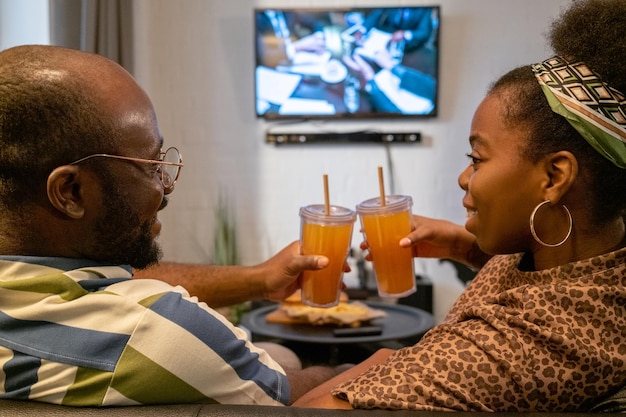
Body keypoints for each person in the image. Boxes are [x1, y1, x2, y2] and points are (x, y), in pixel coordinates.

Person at [295, 0, 626, 411]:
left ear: (555, 177)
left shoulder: (525, 344)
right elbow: (545, 282)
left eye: (477, 159)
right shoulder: (592, 258)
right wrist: (463, 247)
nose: (464, 178)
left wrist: (385, 361)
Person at [0, 44, 344, 407]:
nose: (165, 185)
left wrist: (260, 278)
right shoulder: (152, 331)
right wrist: (369, 362)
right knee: (286, 357)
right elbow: (287, 393)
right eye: (150, 164)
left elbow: (118, 280)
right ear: (70, 191)